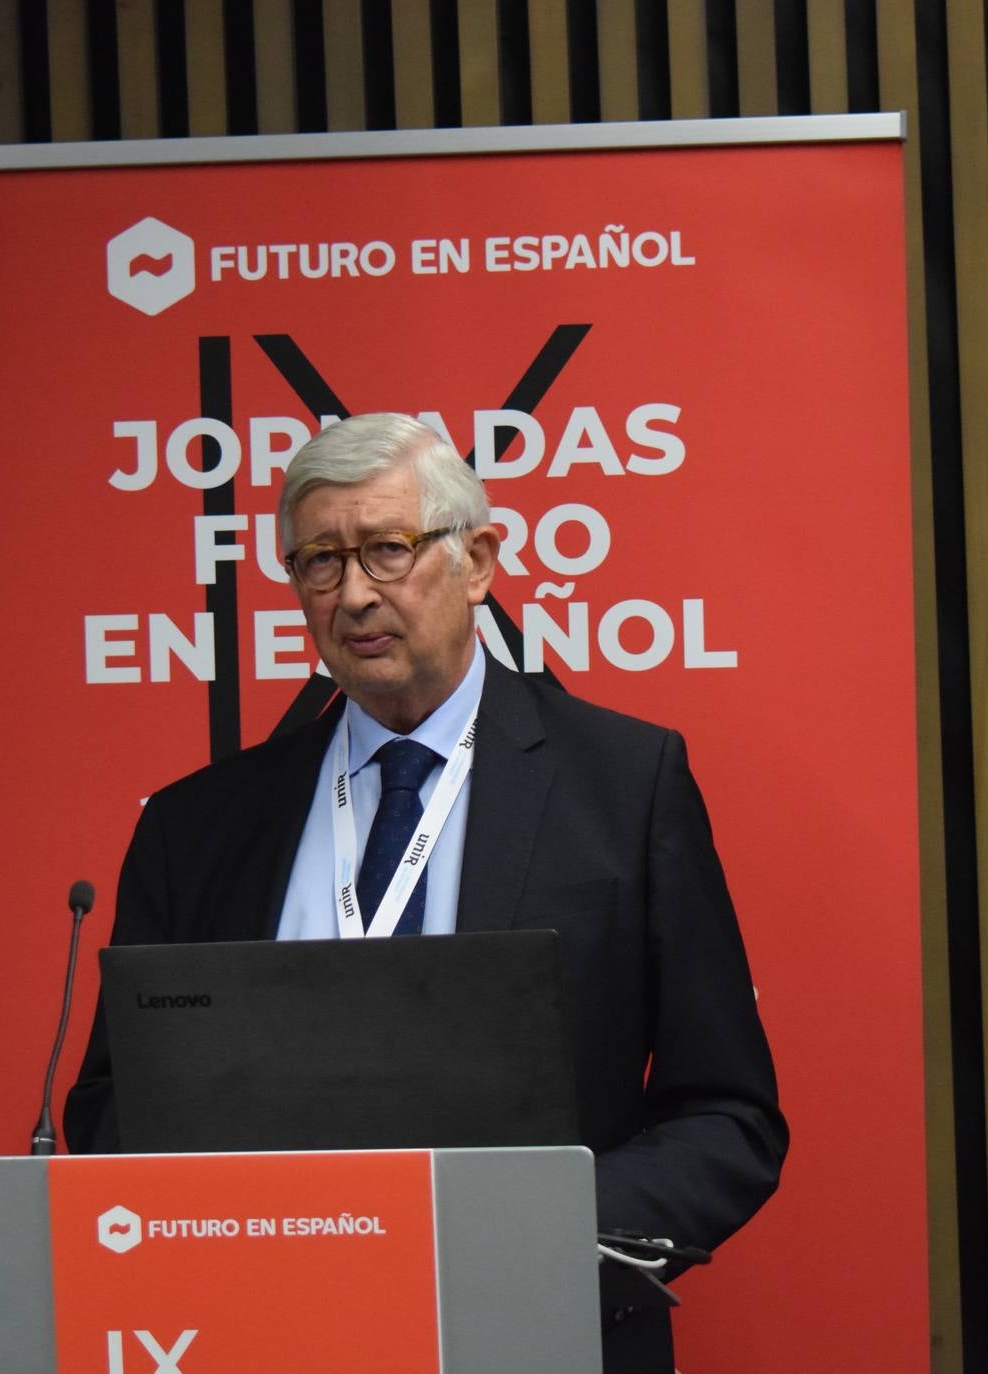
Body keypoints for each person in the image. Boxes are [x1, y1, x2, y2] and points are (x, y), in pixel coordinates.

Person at [64, 412, 786, 1373]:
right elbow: (114, 1106)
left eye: (387, 550)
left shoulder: (623, 785)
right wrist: (252, 1225)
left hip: (536, 1329)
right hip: (263, 1332)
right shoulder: (196, 827)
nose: (354, 593)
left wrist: (536, 1233)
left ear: (477, 561)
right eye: (320, 562)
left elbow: (726, 1115)